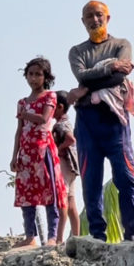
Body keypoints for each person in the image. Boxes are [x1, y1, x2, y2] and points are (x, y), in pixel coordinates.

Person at [68, 0, 134, 242]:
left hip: (115, 121)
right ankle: (98, 235)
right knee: (91, 180)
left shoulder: (121, 44)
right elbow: (81, 75)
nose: (94, 20)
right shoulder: (77, 51)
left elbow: (120, 76)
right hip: (87, 121)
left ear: (108, 18)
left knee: (126, 177)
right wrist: (110, 68)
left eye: (99, 15)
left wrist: (86, 86)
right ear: (83, 21)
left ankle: (132, 232)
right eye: (89, 16)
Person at [10, 57, 68, 247]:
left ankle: (52, 236)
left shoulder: (49, 97)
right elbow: (19, 130)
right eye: (31, 74)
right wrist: (14, 155)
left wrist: (26, 115)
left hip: (43, 151)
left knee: (49, 192)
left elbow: (44, 119)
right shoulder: (22, 102)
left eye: (38, 75)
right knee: (27, 195)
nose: (34, 78)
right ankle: (30, 236)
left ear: (45, 77)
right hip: (26, 153)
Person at [52, 90, 81, 242]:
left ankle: (59, 238)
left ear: (60, 107)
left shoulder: (61, 124)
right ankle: (76, 236)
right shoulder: (67, 121)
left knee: (62, 201)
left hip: (64, 163)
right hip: (72, 166)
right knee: (71, 202)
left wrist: (59, 149)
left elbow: (70, 139)